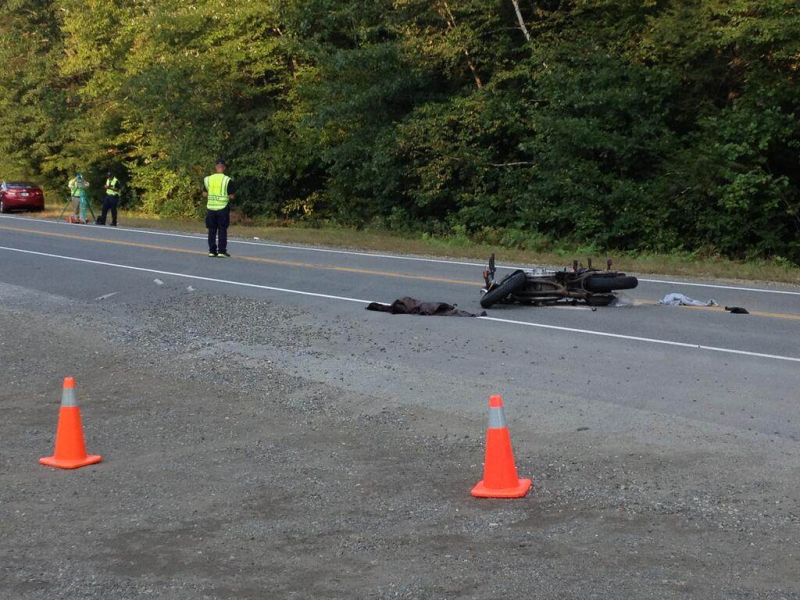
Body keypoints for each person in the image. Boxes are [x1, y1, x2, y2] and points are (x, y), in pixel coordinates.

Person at [203, 158, 235, 257]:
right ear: (224, 168)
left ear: (216, 167)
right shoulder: (227, 180)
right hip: (222, 207)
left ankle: (212, 251)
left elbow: (204, 194)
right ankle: (221, 251)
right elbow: (232, 196)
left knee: (212, 230)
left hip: (211, 208)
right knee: (222, 229)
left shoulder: (208, 179)